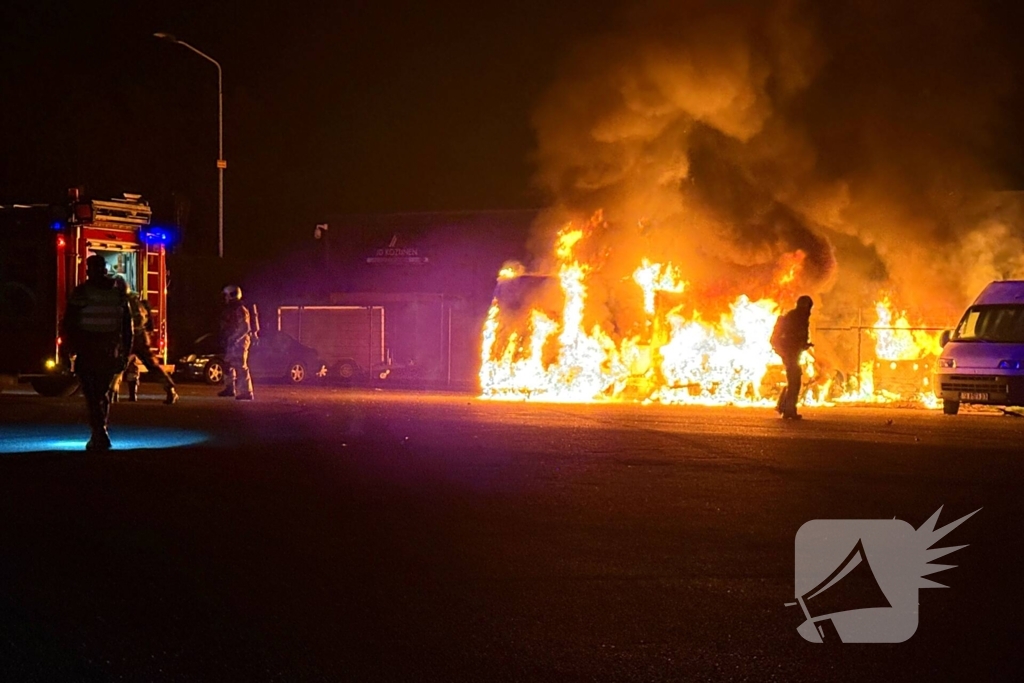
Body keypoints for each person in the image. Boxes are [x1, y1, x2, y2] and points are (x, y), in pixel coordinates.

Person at [60, 254, 133, 450]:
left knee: (92, 394)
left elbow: (69, 323)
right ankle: (101, 431)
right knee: (102, 392)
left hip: (88, 348)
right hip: (110, 350)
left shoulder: (81, 292)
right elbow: (127, 327)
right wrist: (125, 352)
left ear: (89, 270)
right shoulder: (117, 295)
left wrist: (67, 350)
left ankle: (99, 432)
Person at [113, 276, 179, 404]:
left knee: (117, 366)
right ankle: (170, 389)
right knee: (153, 366)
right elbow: (147, 321)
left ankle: (111, 394)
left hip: (128, 337)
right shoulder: (137, 300)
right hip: (142, 337)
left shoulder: (120, 302)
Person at [771, 295, 814, 420]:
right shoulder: (796, 317)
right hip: (790, 351)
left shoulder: (799, 317)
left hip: (792, 351)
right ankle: (788, 409)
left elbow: (798, 336)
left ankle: (785, 407)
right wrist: (797, 344)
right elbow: (790, 336)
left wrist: (804, 344)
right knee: (794, 379)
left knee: (793, 379)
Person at [218, 284, 254, 400]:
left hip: (240, 342)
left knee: (240, 366)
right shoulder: (232, 309)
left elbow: (245, 328)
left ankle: (247, 392)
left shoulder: (240, 309)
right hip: (233, 341)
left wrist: (234, 338)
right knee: (228, 364)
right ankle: (230, 388)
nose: (225, 298)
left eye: (227, 295)